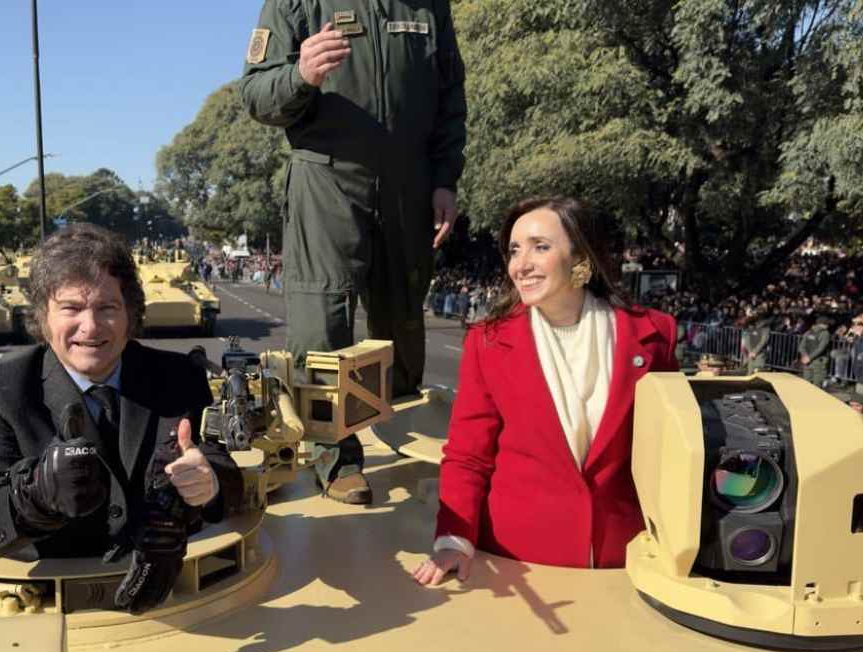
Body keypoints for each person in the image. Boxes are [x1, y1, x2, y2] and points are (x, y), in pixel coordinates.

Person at [241, 0, 468, 504]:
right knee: (324, 320)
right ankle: (334, 457)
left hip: (410, 179)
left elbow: (452, 98)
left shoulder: (431, 6)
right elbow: (256, 94)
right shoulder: (295, 4)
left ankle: (406, 433)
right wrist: (301, 74)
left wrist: (444, 178)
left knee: (403, 315)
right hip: (326, 173)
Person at [0, 225, 243, 608]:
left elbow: (225, 468)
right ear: (43, 317)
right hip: (45, 605)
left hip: (176, 592)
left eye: (107, 308)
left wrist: (210, 484)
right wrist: (35, 496)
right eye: (70, 308)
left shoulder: (179, 377)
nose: (90, 327)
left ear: (131, 315)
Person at [412, 197, 679, 585]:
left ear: (581, 257)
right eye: (515, 250)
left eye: (540, 247)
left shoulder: (654, 336)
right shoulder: (487, 342)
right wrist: (454, 539)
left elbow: (671, 455)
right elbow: (468, 455)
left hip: (623, 563)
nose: (521, 265)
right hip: (517, 563)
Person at [798, 316, 831, 388]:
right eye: (827, 324)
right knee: (817, 386)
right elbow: (821, 348)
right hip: (818, 362)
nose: (828, 325)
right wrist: (809, 358)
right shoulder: (825, 333)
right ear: (824, 324)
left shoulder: (808, 332)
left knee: (806, 384)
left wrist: (805, 356)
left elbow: (801, 346)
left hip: (806, 361)